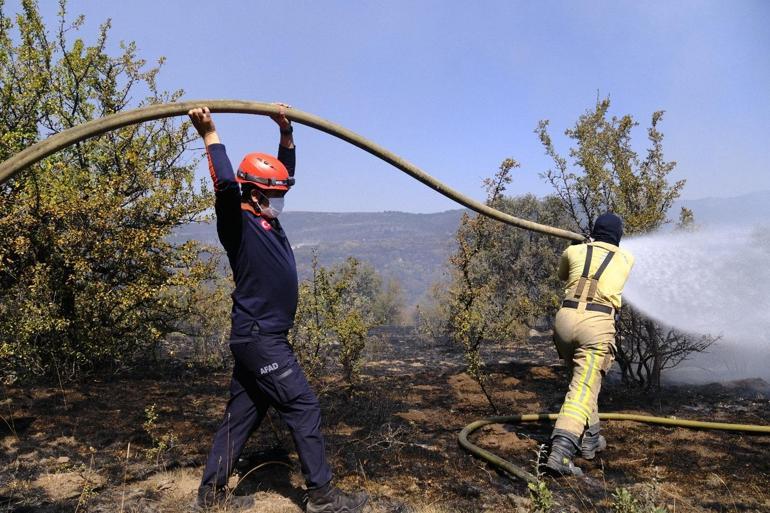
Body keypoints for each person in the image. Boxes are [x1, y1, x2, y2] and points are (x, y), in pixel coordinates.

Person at [188, 105, 369, 512]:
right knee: (303, 405)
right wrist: (210, 134)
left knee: (241, 415)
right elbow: (225, 187)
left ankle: (210, 498)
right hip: (260, 338)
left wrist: (286, 134)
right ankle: (323, 498)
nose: (280, 201)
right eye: (274, 195)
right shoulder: (238, 221)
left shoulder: (268, 216)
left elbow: (284, 173)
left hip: (260, 338)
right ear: (253, 194)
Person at [544, 212, 634, 477]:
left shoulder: (574, 252)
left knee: (583, 379)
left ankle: (590, 438)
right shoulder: (627, 258)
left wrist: (580, 245)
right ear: (618, 236)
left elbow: (563, 275)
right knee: (584, 386)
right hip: (596, 324)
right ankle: (560, 452)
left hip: (565, 321)